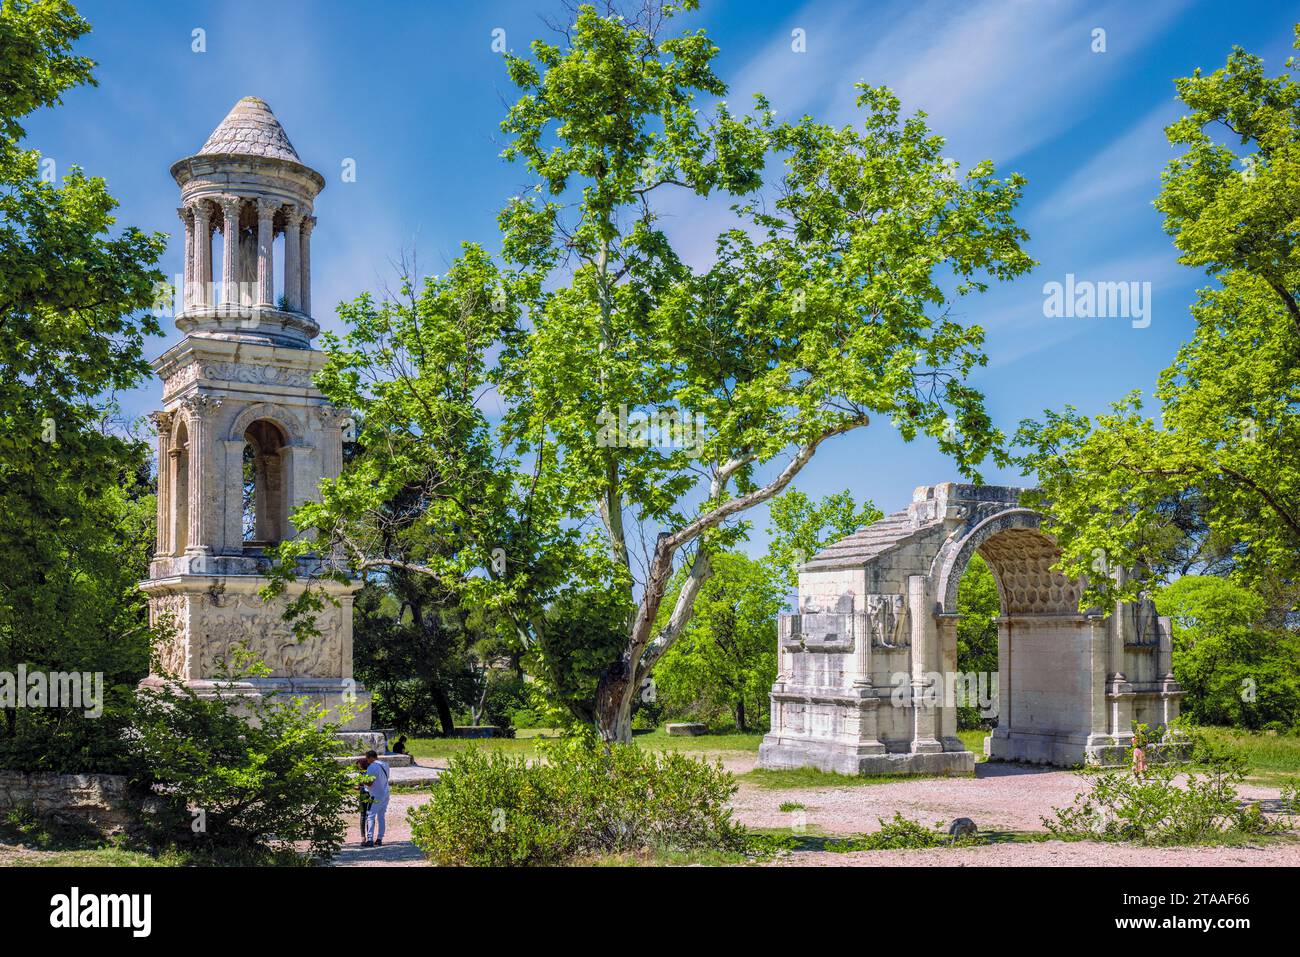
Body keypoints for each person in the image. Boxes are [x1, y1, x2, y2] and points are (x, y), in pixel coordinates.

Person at [361, 749, 390, 847]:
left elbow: (369, 782)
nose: (366, 761)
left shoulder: (372, 767)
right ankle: (379, 839)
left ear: (370, 757)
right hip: (385, 793)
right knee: (381, 817)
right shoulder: (385, 765)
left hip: (375, 794)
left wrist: (362, 779)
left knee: (370, 815)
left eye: (367, 758)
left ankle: (369, 839)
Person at [354, 758, 371, 839]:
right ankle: (363, 836)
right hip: (363, 794)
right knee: (364, 815)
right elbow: (358, 787)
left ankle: (368, 836)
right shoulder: (360, 773)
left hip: (369, 794)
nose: (359, 768)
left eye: (360, 766)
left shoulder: (370, 773)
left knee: (368, 815)